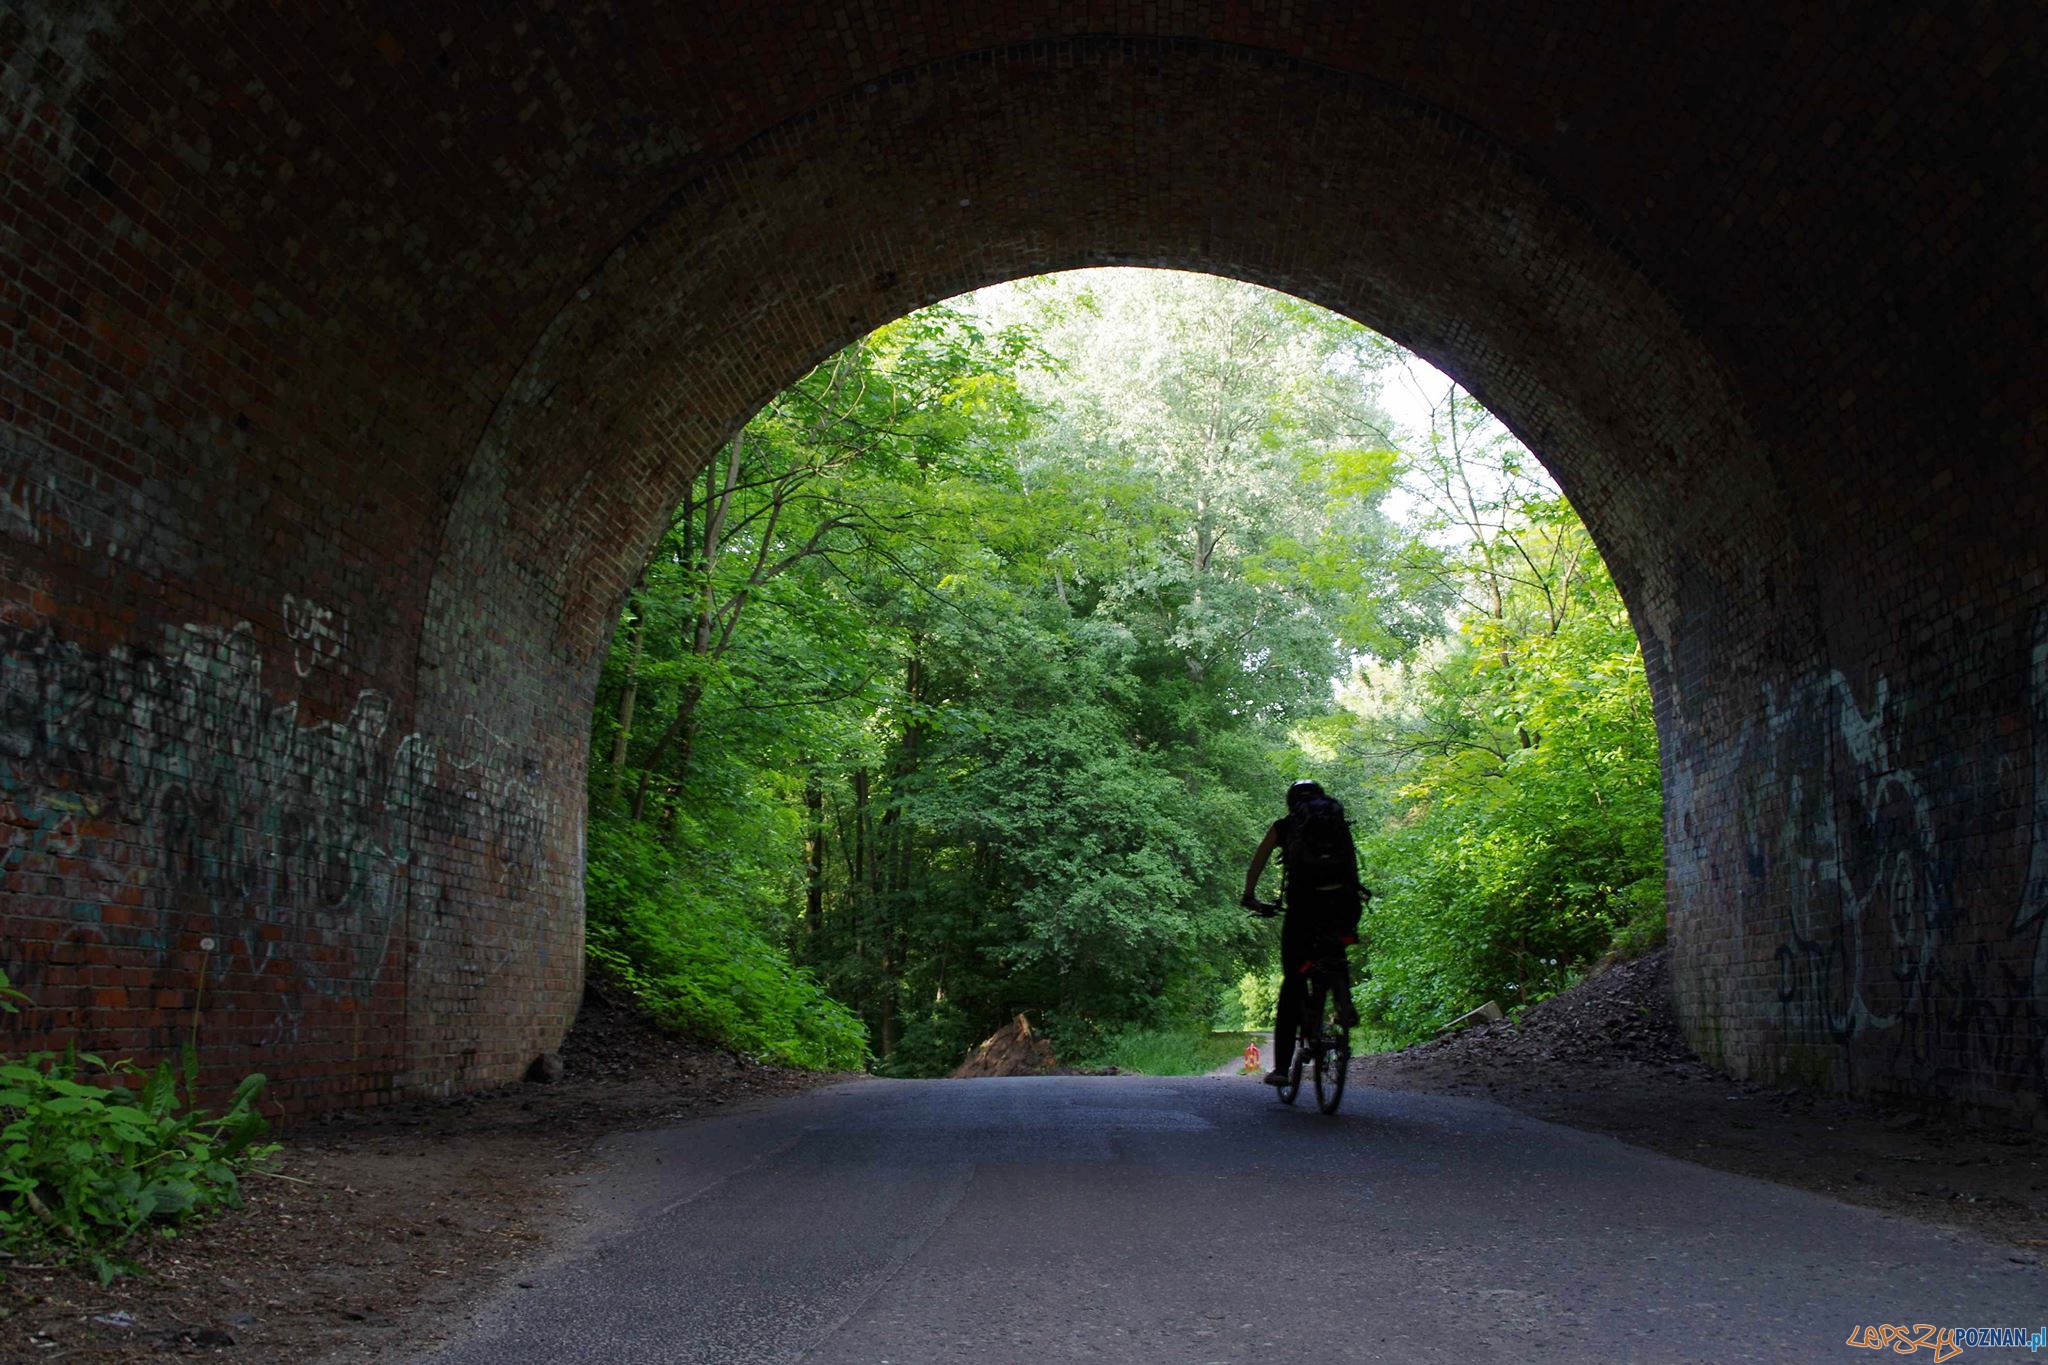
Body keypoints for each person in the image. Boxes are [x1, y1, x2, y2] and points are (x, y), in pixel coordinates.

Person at [1241, 779, 1365, 1087]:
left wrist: (1250, 895)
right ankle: (1342, 997)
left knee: (1294, 979)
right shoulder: (1337, 822)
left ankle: (1282, 1068)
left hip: (1305, 908)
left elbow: (1259, 859)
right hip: (1345, 903)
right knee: (1337, 945)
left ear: (1291, 802)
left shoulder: (1285, 826)